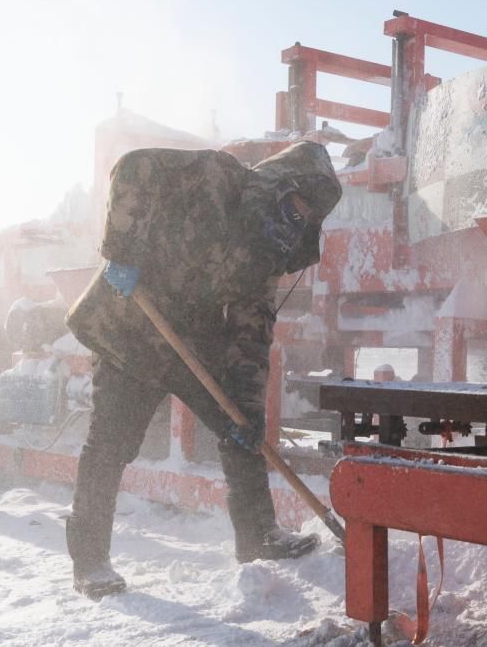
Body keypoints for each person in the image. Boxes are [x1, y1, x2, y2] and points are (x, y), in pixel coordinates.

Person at [65, 141, 342, 599]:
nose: (294, 221)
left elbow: (252, 336)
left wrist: (250, 414)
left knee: (239, 423)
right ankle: (90, 561)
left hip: (192, 336)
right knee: (111, 441)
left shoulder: (268, 254)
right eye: (293, 207)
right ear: (278, 187)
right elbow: (134, 167)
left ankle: (258, 536)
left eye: (304, 218)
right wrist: (122, 250)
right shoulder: (216, 175)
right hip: (134, 323)